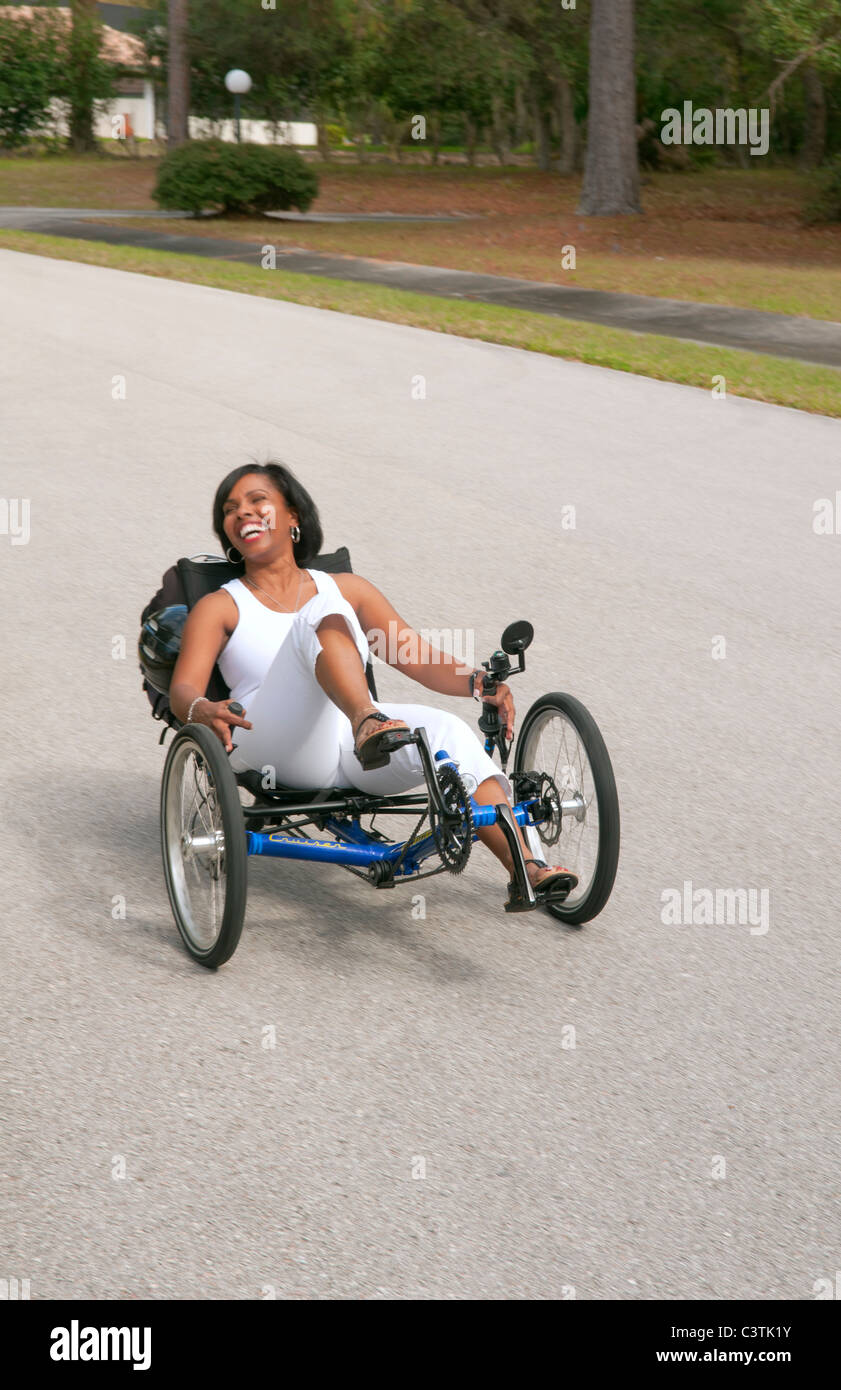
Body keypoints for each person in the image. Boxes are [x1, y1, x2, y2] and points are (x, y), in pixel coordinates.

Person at [168, 460, 576, 906]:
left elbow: (414, 655)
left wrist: (479, 683)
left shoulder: (348, 588)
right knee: (322, 611)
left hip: (353, 745)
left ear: (292, 516)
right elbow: (183, 690)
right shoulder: (220, 606)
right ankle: (366, 717)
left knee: (449, 732)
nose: (243, 512)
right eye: (230, 509)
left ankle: (525, 868)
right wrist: (203, 709)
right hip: (270, 741)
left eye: (257, 500)